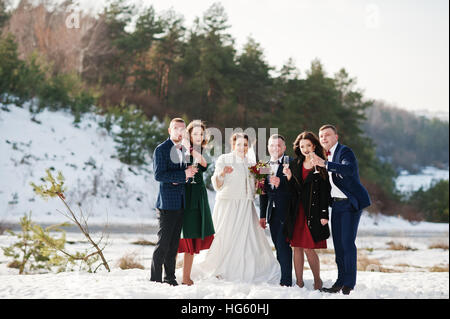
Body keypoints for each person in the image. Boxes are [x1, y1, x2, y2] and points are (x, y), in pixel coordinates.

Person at [199, 133, 280, 283]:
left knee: (249, 239)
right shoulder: (224, 159)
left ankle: (249, 269)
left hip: (246, 205)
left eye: (245, 145)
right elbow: (216, 183)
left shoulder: (251, 163)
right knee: (225, 236)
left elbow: (265, 177)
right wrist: (223, 173)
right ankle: (219, 269)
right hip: (228, 204)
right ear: (233, 145)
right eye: (239, 144)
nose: (242, 148)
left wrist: (260, 182)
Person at [310, 124, 371, 295]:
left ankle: (349, 284)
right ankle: (339, 281)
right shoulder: (323, 155)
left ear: (336, 137)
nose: (323, 138)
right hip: (336, 204)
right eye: (321, 136)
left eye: (327, 135)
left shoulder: (345, 152)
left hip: (350, 203)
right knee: (338, 246)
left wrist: (325, 164)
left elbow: (349, 169)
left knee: (347, 243)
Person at [150, 118, 198, 286]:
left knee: (173, 245)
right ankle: (155, 280)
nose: (180, 132)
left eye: (182, 129)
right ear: (170, 131)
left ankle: (170, 278)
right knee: (163, 244)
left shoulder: (184, 149)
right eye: (176, 128)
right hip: (167, 203)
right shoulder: (161, 149)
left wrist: (187, 174)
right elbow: (159, 175)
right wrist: (183, 175)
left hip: (181, 202)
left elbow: (183, 173)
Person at [283, 131, 331, 290]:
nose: (304, 149)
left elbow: (325, 191)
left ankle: (317, 281)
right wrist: (289, 177)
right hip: (297, 212)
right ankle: (299, 282)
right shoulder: (295, 164)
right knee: (296, 246)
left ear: (314, 146)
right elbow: (293, 191)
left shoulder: (320, 163)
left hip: (313, 212)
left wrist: (324, 214)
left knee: (309, 247)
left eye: (308, 145)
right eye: (301, 146)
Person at [177, 120, 215, 286]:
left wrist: (190, 148)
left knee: (192, 236)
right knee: (179, 237)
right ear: (189, 135)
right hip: (184, 193)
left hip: (197, 195)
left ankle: (186, 276)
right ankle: (169, 274)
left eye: (201, 134)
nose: (199, 137)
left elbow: (204, 164)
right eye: (195, 134)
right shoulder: (179, 149)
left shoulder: (201, 151)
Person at [259, 134, 293, 287]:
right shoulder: (263, 166)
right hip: (271, 213)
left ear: (284, 148)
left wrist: (282, 184)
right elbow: (263, 193)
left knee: (283, 244)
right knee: (277, 244)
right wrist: (262, 216)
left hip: (287, 211)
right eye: (272, 145)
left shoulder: (291, 163)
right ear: (268, 147)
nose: (275, 148)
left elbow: (297, 188)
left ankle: (286, 281)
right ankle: (282, 277)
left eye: (279, 145)